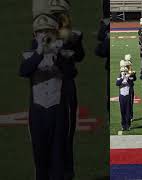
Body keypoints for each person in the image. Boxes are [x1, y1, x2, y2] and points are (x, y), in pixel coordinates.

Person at [20, 14, 68, 180]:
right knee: (40, 158)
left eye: (48, 31)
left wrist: (58, 55)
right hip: (38, 111)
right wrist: (40, 51)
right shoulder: (29, 55)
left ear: (55, 33)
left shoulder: (63, 52)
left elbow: (70, 73)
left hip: (58, 110)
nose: (44, 35)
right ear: (35, 35)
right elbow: (24, 71)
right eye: (40, 32)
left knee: (58, 158)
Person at [47, 1, 86, 179]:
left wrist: (72, 43)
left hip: (66, 87)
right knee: (50, 134)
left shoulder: (73, 36)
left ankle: (66, 172)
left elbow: (80, 56)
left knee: (67, 131)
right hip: (48, 89)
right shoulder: (44, 36)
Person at [116, 66, 134, 131]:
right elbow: (117, 84)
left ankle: (128, 125)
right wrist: (122, 78)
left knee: (128, 111)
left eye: (125, 72)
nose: (124, 73)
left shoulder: (130, 78)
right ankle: (123, 125)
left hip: (128, 96)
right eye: (122, 72)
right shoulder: (119, 78)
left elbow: (131, 84)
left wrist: (127, 78)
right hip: (121, 96)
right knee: (122, 111)